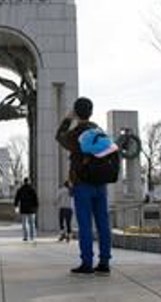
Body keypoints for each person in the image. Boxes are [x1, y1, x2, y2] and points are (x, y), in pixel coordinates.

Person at [55, 97, 111, 275]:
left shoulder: (77, 133)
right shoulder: (100, 131)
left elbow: (59, 137)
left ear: (77, 113)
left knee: (85, 224)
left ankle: (87, 263)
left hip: (82, 184)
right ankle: (104, 263)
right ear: (91, 112)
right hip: (101, 184)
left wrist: (68, 119)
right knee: (103, 223)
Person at [14, 178, 38, 242]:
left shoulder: (20, 189)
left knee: (24, 224)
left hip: (23, 209)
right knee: (32, 223)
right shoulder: (32, 189)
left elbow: (17, 199)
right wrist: (36, 207)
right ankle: (32, 236)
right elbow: (35, 199)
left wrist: (16, 206)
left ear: (24, 182)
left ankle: (25, 236)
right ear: (29, 182)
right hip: (31, 209)